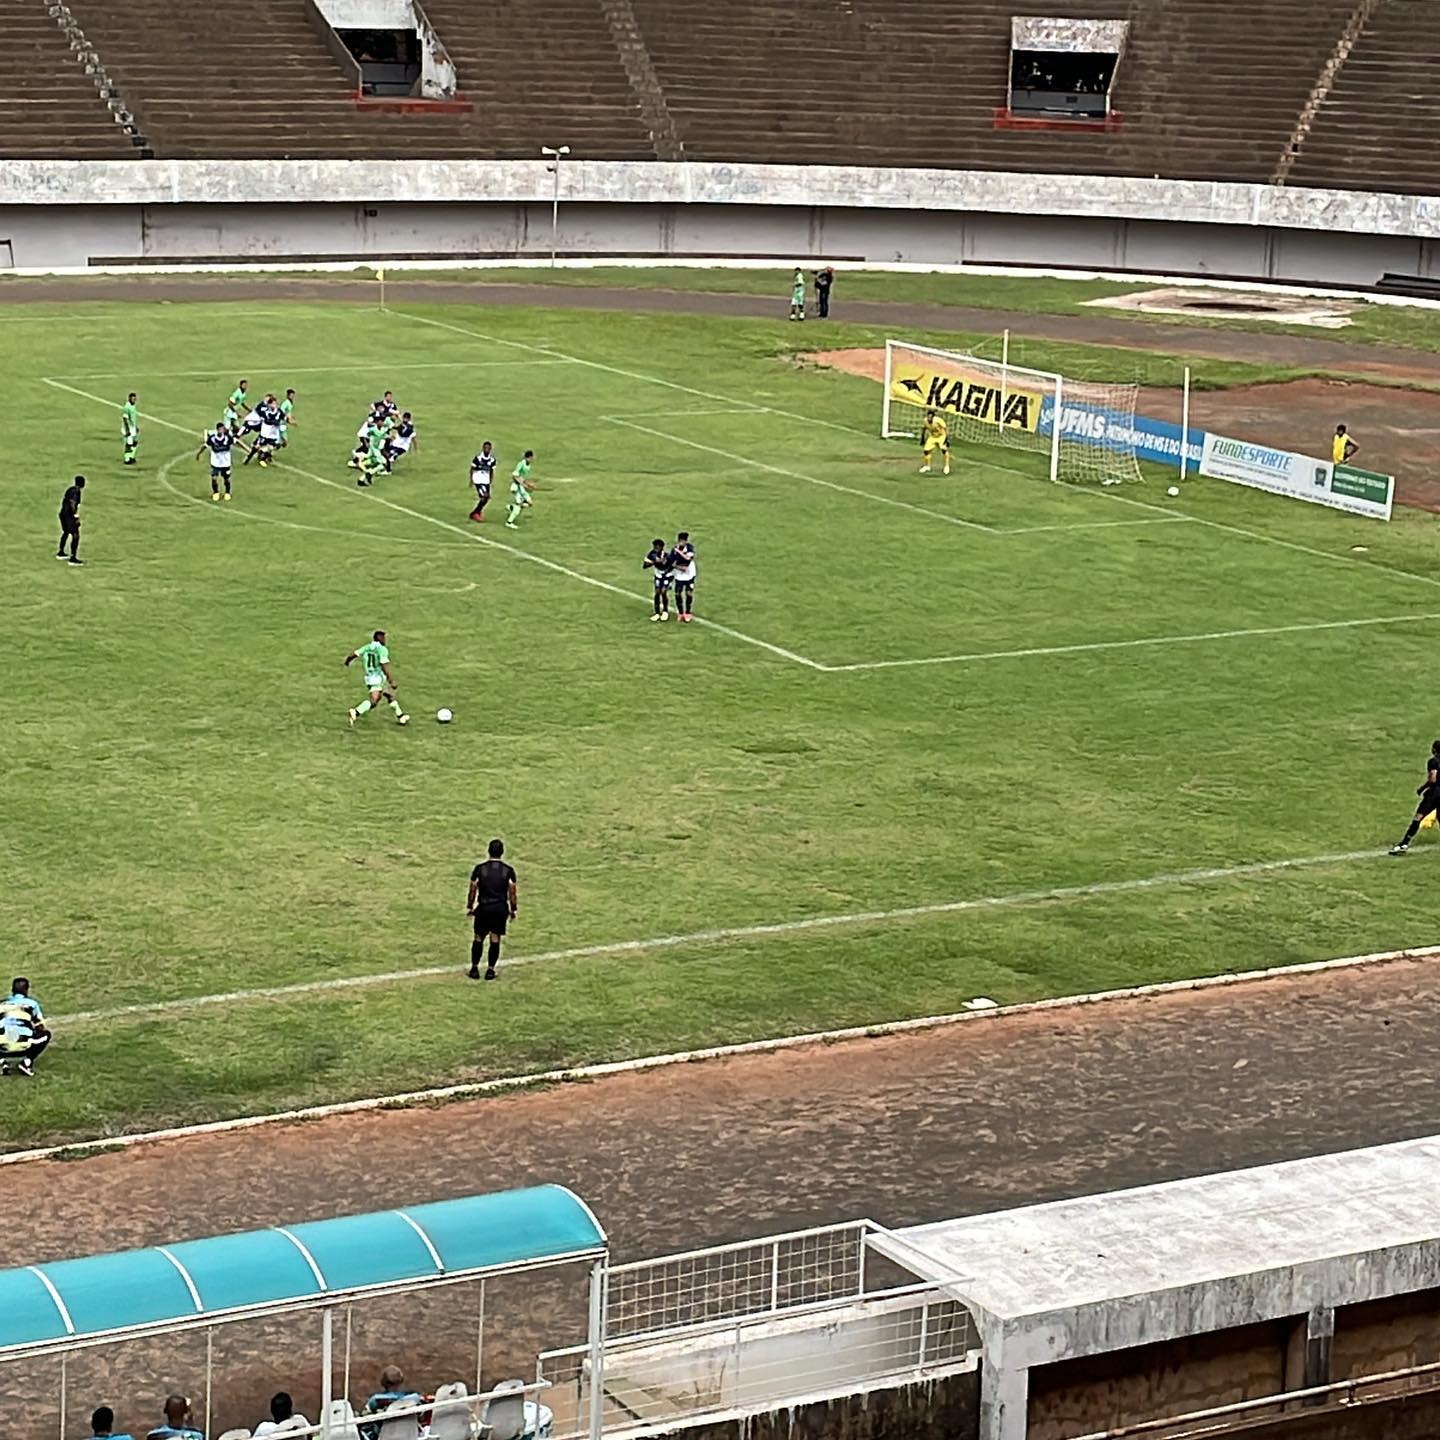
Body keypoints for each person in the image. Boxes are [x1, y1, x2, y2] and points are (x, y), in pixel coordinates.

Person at [467, 839, 518, 981]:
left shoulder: (480, 869)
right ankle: (490, 969)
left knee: (479, 937)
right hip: (499, 908)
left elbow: (473, 889)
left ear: (488, 850)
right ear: (502, 852)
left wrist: (470, 906)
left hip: (484, 907)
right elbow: (512, 892)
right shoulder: (508, 871)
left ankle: (474, 968)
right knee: (495, 938)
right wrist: (513, 909)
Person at [345, 630, 409, 728]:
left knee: (389, 694)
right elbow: (384, 665)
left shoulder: (367, 647)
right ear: (380, 639)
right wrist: (391, 680)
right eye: (384, 638)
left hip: (369, 677)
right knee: (374, 700)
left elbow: (354, 654)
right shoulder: (382, 650)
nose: (385, 640)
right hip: (377, 678)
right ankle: (355, 712)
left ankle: (401, 716)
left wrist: (348, 661)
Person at [1390, 739, 1440, 854]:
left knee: (1418, 818)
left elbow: (1433, 779)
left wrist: (1422, 788)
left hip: (1434, 795)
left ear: (1434, 750)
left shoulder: (1433, 762)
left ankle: (1404, 844)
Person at [0, 977, 51, 1078]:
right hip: (24, 1047)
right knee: (46, 1034)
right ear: (26, 990)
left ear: (12, 990)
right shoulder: (32, 1004)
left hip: (1, 1047)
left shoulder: (1, 1004)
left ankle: (1, 1062)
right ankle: (26, 1062)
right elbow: (40, 1026)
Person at [196, 423, 234, 501]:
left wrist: (247, 450)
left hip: (225, 462)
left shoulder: (228, 438)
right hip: (215, 462)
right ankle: (216, 492)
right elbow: (205, 446)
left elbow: (237, 442)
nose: (222, 430)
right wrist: (199, 454)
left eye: (223, 429)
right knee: (214, 478)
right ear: (217, 430)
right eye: (220, 429)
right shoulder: (212, 438)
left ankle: (227, 492)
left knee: (226, 479)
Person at [57, 474, 85, 565]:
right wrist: (75, 516)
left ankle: (61, 552)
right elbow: (72, 503)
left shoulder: (70, 489)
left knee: (65, 532)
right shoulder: (77, 492)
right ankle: (73, 558)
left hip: (62, 514)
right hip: (69, 515)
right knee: (75, 535)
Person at [643, 537, 673, 621]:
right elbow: (645, 565)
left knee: (663, 591)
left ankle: (665, 611)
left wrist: (664, 566)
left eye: (657, 547)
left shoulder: (667, 555)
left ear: (662, 547)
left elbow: (671, 566)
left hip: (667, 575)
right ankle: (657, 613)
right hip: (658, 575)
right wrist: (653, 562)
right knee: (657, 593)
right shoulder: (651, 554)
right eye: (654, 547)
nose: (655, 549)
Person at [506, 449, 536, 529]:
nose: (533, 459)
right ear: (528, 457)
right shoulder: (521, 464)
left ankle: (512, 507)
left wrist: (528, 484)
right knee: (518, 508)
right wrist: (523, 484)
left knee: (530, 503)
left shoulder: (528, 465)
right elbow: (515, 476)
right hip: (517, 487)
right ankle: (509, 522)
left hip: (521, 487)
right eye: (532, 457)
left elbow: (522, 477)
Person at [671, 531, 697, 623]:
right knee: (677, 593)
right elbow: (671, 562)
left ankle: (688, 612)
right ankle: (680, 612)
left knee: (688, 593)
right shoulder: (674, 550)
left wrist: (676, 564)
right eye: (680, 541)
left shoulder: (689, 548)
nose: (681, 542)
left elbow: (687, 560)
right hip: (679, 575)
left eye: (683, 541)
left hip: (690, 574)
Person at [469, 441, 498, 522]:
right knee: (484, 496)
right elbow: (472, 468)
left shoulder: (492, 460)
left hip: (486, 480)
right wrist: (471, 480)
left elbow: (492, 470)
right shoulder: (478, 458)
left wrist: (491, 480)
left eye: (488, 448)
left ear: (490, 449)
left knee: (487, 497)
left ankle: (477, 512)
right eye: (485, 448)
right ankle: (475, 513)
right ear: (483, 448)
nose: (487, 450)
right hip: (478, 479)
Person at [919, 409, 951, 476]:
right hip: (933, 436)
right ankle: (927, 466)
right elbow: (924, 429)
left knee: (944, 450)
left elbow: (946, 429)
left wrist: (947, 439)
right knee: (926, 451)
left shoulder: (938, 420)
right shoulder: (925, 421)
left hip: (941, 436)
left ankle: (946, 467)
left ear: (933, 417)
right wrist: (922, 438)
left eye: (931, 417)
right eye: (928, 417)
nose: (929, 418)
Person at [121, 392, 140, 466]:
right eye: (132, 399)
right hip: (128, 427)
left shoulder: (133, 406)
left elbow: (133, 418)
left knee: (135, 442)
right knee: (129, 444)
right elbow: (125, 419)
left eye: (135, 399)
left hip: (132, 427)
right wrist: (127, 430)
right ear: (129, 399)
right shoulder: (127, 407)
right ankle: (127, 459)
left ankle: (131, 457)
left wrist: (136, 427)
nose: (134, 400)